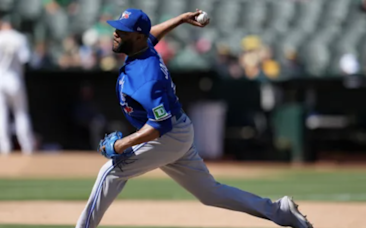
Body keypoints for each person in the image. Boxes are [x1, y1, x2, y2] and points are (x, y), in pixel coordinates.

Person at [75, 8, 313, 228]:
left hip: (167, 136)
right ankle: (280, 211)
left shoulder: (148, 77)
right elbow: (152, 33)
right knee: (210, 193)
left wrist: (121, 144)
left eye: (121, 31)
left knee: (111, 171)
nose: (115, 34)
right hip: (178, 131)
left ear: (136, 37)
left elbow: (160, 126)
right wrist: (179, 19)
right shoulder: (142, 47)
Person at [0, 19, 35, 155]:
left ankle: (4, 147)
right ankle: (27, 146)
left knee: (2, 114)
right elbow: (25, 58)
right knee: (21, 113)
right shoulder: (19, 38)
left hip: (0, 79)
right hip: (14, 79)